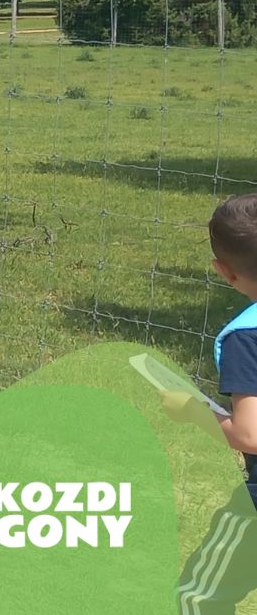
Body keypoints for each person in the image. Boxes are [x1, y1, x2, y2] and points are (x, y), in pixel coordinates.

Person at [167, 194, 257, 614]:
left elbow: (249, 435)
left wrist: (193, 411)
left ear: (224, 271)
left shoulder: (246, 337)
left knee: (199, 596)